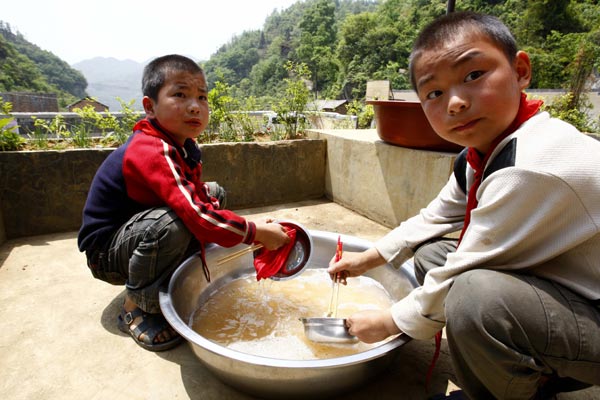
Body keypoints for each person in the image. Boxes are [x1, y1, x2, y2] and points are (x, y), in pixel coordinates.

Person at [328, 11, 600, 399]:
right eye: (434, 93)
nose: (454, 103)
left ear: (520, 71)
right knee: (434, 253)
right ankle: (530, 366)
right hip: (573, 292)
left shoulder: (529, 167)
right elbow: (434, 218)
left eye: (473, 76)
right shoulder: (483, 154)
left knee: (473, 297)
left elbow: (463, 272)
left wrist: (389, 321)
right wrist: (367, 257)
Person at [78, 54, 290, 352]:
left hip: (134, 230)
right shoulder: (152, 148)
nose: (195, 105)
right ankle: (134, 306)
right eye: (180, 94)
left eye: (202, 97)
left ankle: (172, 273)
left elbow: (200, 200)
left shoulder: (184, 146)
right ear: (149, 107)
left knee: (213, 193)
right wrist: (254, 232)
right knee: (175, 222)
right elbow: (195, 214)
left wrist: (249, 228)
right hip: (106, 255)